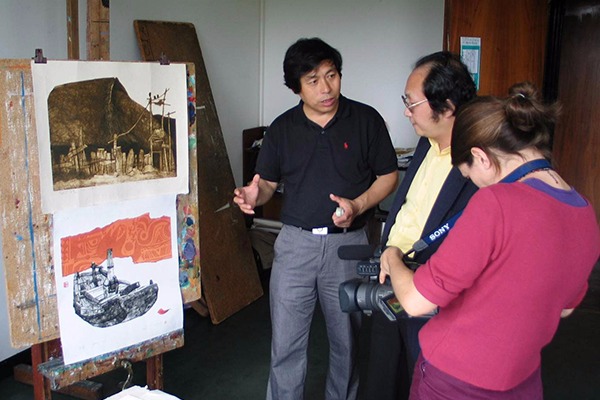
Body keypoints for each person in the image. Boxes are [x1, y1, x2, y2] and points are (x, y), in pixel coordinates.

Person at [378, 81, 600, 399]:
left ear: (481, 158)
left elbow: (414, 301)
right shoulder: (584, 211)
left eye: (469, 177)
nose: (477, 186)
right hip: (522, 380)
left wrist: (392, 259)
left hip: (454, 379)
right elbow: (563, 308)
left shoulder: (496, 203)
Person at [233, 37, 398, 400]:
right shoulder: (281, 129)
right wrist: (252, 195)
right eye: (313, 80)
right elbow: (267, 184)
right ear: (296, 88)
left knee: (348, 343)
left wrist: (357, 204)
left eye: (332, 75)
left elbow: (389, 175)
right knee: (287, 344)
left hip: (348, 246)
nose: (326, 88)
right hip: (295, 246)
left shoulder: (365, 120)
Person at [364, 51, 477, 400]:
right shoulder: (426, 145)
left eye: (412, 103)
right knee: (382, 378)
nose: (406, 111)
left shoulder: (479, 164)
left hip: (433, 295)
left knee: (424, 379)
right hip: (391, 276)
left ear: (446, 105)